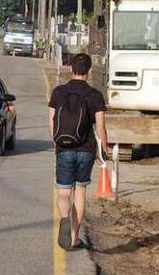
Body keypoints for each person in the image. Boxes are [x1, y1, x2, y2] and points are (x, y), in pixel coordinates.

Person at [48, 52, 109, 250]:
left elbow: (52, 121)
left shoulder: (58, 92)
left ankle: (65, 220)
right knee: (80, 190)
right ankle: (74, 236)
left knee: (64, 192)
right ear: (88, 71)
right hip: (86, 149)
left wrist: (57, 141)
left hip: (64, 147)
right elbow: (100, 127)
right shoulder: (95, 95)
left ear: (71, 68)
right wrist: (104, 150)